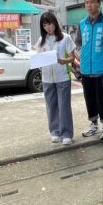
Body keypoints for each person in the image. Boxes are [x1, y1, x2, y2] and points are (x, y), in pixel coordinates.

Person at [75, 0, 103, 140]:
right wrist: (80, 57)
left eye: (92, 2)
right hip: (85, 70)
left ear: (99, 3)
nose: (89, 5)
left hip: (102, 69)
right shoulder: (82, 23)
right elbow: (78, 43)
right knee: (89, 99)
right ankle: (93, 125)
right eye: (87, 2)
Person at [36, 11, 75, 145]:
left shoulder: (65, 38)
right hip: (47, 79)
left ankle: (67, 133)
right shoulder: (41, 41)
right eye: (45, 25)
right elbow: (38, 58)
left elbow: (72, 57)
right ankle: (55, 132)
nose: (48, 27)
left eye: (50, 24)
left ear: (55, 23)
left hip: (63, 77)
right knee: (51, 106)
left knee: (64, 106)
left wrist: (65, 60)